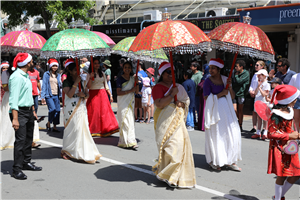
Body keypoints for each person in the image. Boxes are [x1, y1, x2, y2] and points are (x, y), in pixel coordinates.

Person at [152, 62, 196, 188]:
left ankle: (173, 176)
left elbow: (186, 101)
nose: (171, 75)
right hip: (164, 120)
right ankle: (167, 173)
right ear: (161, 74)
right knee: (169, 148)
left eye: (172, 72)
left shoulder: (178, 86)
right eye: (167, 72)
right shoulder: (158, 88)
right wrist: (172, 94)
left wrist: (181, 104)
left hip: (177, 121)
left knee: (179, 147)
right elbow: (159, 104)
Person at [204, 58, 242, 171]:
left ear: (219, 69)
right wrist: (221, 94)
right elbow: (206, 98)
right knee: (217, 135)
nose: (210, 70)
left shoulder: (226, 79)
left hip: (228, 112)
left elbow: (233, 96)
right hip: (215, 113)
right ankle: (215, 160)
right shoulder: (207, 81)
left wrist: (229, 87)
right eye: (210, 68)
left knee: (231, 134)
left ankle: (230, 160)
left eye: (213, 68)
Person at [9, 53, 42, 180]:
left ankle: (26, 162)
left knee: (29, 138)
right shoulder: (17, 77)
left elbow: (28, 96)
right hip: (20, 112)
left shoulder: (26, 75)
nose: (33, 62)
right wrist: (15, 118)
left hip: (28, 111)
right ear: (27, 63)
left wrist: (33, 110)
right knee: (20, 141)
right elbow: (14, 100)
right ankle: (16, 169)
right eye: (32, 61)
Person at [61, 62, 101, 163]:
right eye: (75, 70)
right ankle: (67, 150)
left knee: (82, 128)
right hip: (71, 108)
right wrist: (75, 83)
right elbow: (69, 94)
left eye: (78, 69)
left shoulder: (82, 81)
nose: (77, 72)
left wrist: (83, 95)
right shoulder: (66, 82)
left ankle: (81, 151)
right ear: (69, 71)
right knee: (73, 128)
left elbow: (87, 94)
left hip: (81, 107)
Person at [267, 85, 300, 200]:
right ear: (288, 100)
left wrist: (296, 135)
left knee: (296, 175)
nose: (296, 100)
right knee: (281, 176)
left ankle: (278, 196)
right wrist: (289, 135)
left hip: (290, 147)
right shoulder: (276, 114)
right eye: (294, 98)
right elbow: (270, 134)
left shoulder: (289, 110)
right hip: (280, 148)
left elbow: (290, 127)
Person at [86, 58, 119, 137]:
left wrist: (110, 95)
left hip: (102, 93)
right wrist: (91, 77)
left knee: (104, 112)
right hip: (93, 93)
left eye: (98, 63)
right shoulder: (89, 74)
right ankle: (94, 129)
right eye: (95, 63)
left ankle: (105, 129)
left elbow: (106, 86)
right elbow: (88, 86)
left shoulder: (102, 73)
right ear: (92, 64)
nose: (97, 65)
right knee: (94, 112)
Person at [116, 61, 139, 149]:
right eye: (126, 67)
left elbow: (136, 91)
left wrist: (136, 83)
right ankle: (124, 141)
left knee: (130, 122)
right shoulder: (120, 79)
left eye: (129, 67)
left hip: (130, 103)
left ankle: (131, 141)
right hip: (123, 103)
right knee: (124, 122)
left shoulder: (133, 79)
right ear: (123, 68)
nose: (127, 69)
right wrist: (130, 90)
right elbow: (118, 92)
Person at [41, 59, 61, 132]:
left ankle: (55, 126)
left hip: (56, 95)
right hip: (49, 95)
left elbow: (60, 85)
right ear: (50, 66)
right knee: (52, 109)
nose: (55, 67)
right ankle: (49, 122)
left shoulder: (58, 75)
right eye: (53, 66)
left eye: (56, 66)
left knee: (58, 110)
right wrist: (42, 96)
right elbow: (44, 85)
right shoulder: (46, 74)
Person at [251, 69, 270, 140]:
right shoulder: (259, 83)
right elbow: (255, 93)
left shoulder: (267, 84)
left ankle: (265, 132)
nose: (258, 77)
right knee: (259, 117)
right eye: (258, 75)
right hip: (257, 102)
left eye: (260, 75)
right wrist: (258, 86)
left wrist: (259, 87)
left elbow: (264, 94)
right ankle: (258, 132)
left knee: (265, 118)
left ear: (264, 76)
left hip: (264, 102)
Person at [232, 60, 250, 131]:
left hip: (241, 94)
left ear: (241, 67)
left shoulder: (246, 73)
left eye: (237, 66)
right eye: (235, 66)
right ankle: (236, 122)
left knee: (240, 110)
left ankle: (240, 124)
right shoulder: (234, 72)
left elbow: (239, 81)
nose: (235, 67)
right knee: (234, 109)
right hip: (234, 93)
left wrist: (236, 76)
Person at [0, 62, 15, 150]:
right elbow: (5, 88)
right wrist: (16, 88)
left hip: (18, 96)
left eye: (6, 68)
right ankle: (6, 139)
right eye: (3, 68)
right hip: (9, 97)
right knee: (8, 117)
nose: (5, 69)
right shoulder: (5, 74)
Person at [249, 60, 266, 133]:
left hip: (261, 95)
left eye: (257, 65)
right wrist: (251, 91)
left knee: (262, 113)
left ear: (262, 66)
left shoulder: (265, 74)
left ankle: (264, 129)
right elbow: (252, 84)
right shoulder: (255, 74)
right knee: (254, 111)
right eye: (255, 65)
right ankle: (254, 127)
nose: (255, 66)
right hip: (255, 95)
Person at [198, 63, 210, 131]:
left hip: (204, 95)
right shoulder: (211, 76)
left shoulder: (205, 77)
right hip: (210, 95)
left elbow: (200, 86)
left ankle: (202, 125)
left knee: (203, 108)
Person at [190, 61, 202, 125]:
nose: (190, 67)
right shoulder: (193, 74)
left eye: (192, 66)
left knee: (197, 108)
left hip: (197, 95)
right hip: (193, 95)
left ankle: (199, 122)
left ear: (195, 67)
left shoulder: (199, 75)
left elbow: (199, 85)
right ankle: (195, 121)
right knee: (194, 108)